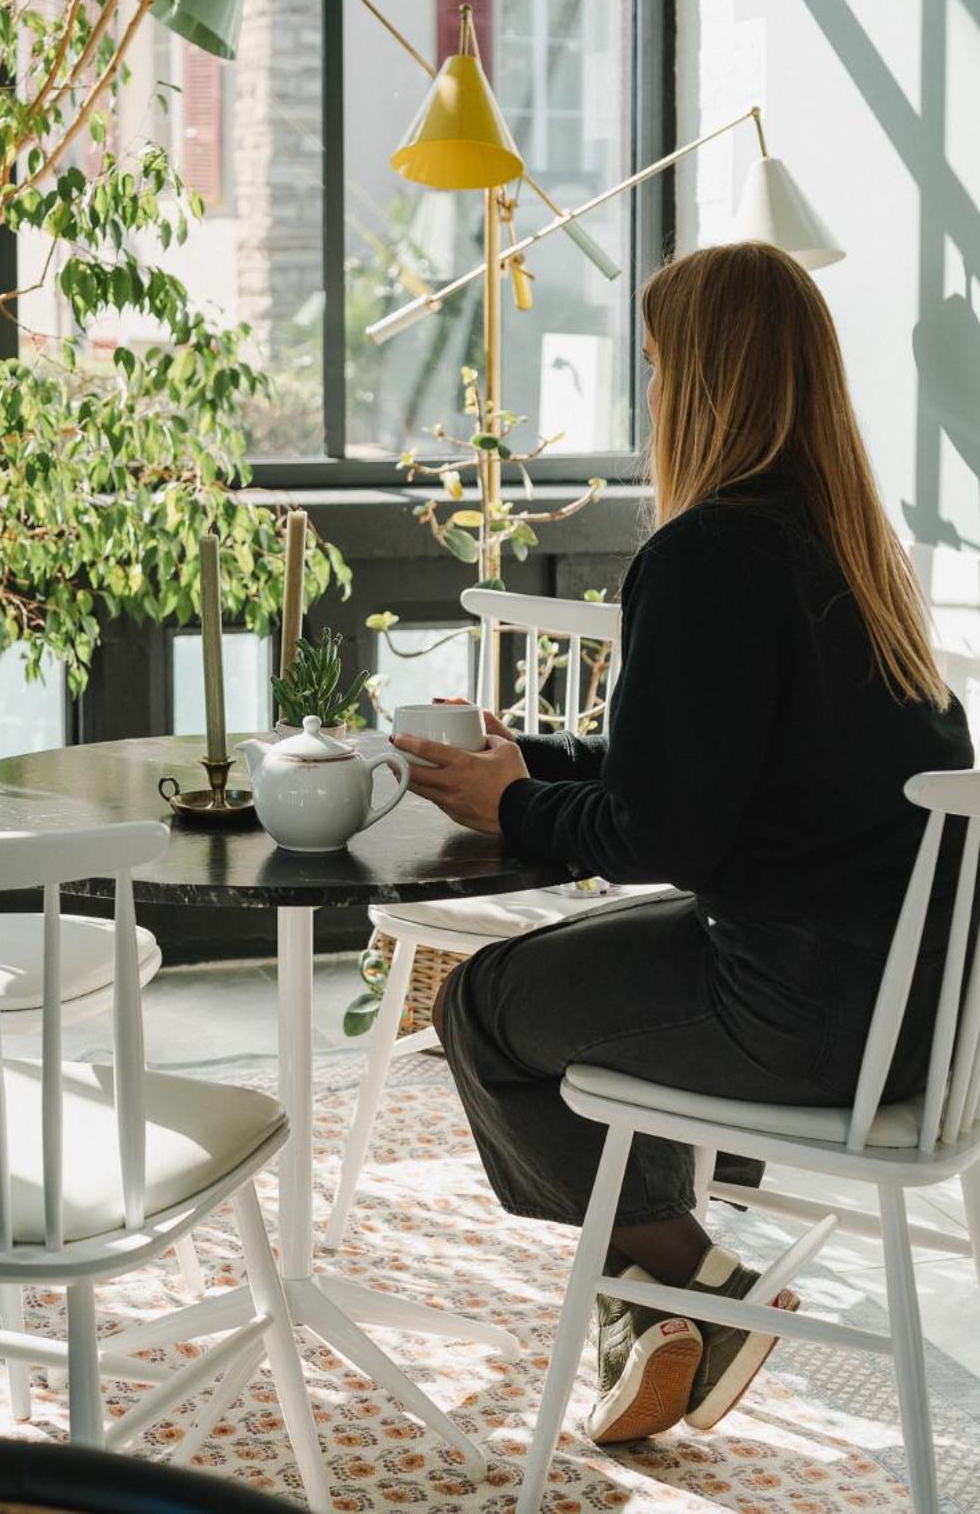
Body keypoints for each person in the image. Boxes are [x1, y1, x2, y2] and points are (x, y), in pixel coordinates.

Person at [392, 242, 974, 1446]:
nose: (647, 391)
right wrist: (531, 767)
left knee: (485, 1006)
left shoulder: (706, 554)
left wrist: (508, 809)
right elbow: (713, 781)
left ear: (702, 382)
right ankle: (663, 1314)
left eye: (656, 366)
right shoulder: (855, 557)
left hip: (803, 1011)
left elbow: (661, 832)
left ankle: (690, 1284)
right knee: (594, 985)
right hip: (927, 1014)